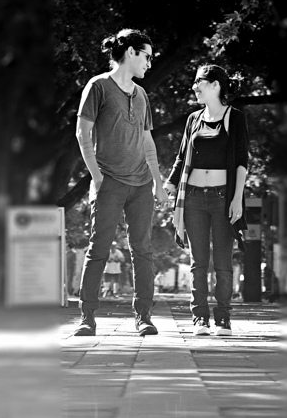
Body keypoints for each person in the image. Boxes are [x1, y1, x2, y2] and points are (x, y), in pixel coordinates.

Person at [74, 29, 168, 336]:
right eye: (147, 56)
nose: (150, 64)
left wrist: (157, 180)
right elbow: (82, 134)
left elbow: (147, 141)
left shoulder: (141, 95)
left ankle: (144, 316)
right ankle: (87, 317)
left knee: (142, 250)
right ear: (130, 52)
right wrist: (98, 178)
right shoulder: (98, 86)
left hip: (141, 185)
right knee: (99, 248)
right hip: (109, 182)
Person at [164, 64, 249, 336]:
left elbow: (241, 162)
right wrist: (169, 184)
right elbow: (180, 158)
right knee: (198, 263)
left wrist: (237, 199)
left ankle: (223, 318)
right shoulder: (193, 119)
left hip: (224, 198)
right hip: (192, 199)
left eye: (198, 82)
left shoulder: (235, 118)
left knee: (223, 263)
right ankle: (200, 318)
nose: (194, 87)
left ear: (215, 85)